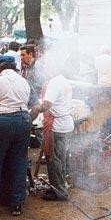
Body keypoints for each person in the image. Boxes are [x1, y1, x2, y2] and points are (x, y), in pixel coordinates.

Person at [0, 55, 39, 216]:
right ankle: (16, 204)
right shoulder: (24, 81)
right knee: (19, 162)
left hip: (1, 121)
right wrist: (26, 119)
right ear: (14, 67)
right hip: (22, 120)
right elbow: (36, 106)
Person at [39, 61, 74, 201]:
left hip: (57, 125)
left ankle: (59, 192)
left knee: (54, 160)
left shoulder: (54, 82)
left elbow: (47, 104)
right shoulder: (64, 81)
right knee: (61, 157)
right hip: (67, 124)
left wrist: (35, 109)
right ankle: (59, 186)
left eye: (46, 66)